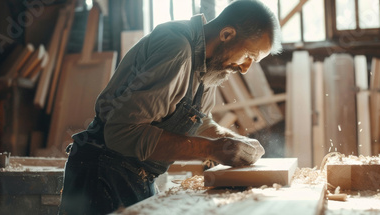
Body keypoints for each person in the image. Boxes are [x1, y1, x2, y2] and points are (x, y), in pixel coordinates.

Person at [58, 0, 282, 214]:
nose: (245, 68)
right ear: (226, 34)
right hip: (102, 174)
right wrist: (212, 149)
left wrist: (231, 140)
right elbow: (121, 132)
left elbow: (197, 120)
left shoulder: (209, 64)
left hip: (135, 175)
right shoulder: (177, 49)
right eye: (249, 56)